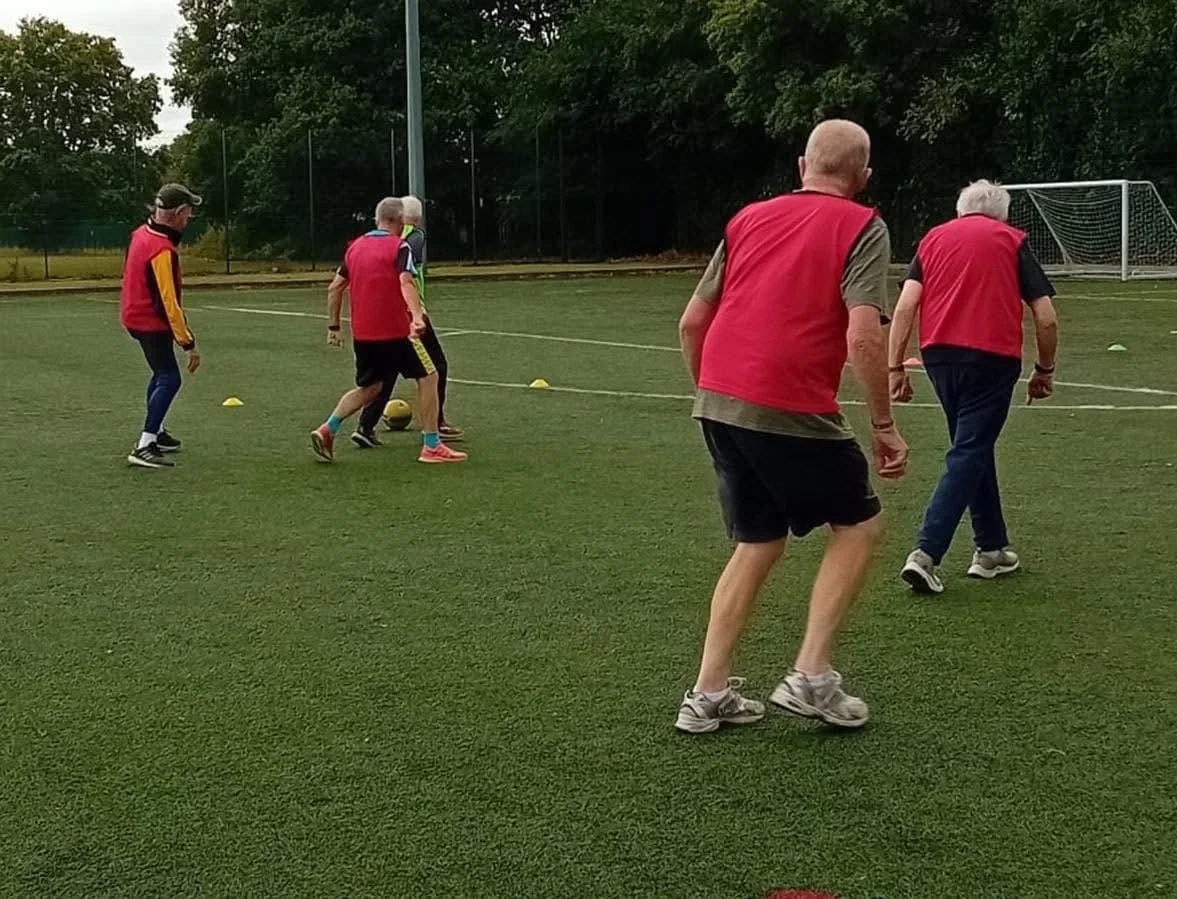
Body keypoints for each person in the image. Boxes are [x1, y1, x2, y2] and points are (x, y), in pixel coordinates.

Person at [674, 119, 909, 735]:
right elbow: (863, 332)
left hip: (719, 401)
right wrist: (883, 424)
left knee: (759, 541)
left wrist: (712, 389)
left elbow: (691, 324)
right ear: (863, 175)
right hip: (789, 405)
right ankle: (811, 675)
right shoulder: (863, 225)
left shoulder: (746, 219)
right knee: (859, 525)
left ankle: (707, 694)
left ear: (802, 163)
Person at [889, 179, 1059, 594]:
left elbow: (907, 304)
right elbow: (1046, 315)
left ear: (960, 209)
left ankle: (991, 548)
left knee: (972, 447)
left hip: (940, 357)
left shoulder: (932, 239)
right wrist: (1045, 369)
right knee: (969, 450)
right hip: (992, 359)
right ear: (1001, 214)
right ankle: (926, 553)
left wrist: (895, 366)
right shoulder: (1011, 240)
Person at [311, 197, 467, 465]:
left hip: (364, 335)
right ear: (398, 221)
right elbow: (406, 282)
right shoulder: (400, 246)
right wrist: (417, 316)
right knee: (429, 376)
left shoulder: (354, 248)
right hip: (397, 331)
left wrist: (334, 327)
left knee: (371, 388)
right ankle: (431, 445)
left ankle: (328, 428)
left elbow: (334, 288)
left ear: (377, 219)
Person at [354, 195, 463, 447]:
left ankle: (365, 425)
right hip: (409, 315)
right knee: (435, 367)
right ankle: (435, 427)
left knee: (388, 371)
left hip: (389, 313)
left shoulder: (376, 239)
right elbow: (405, 277)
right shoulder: (412, 238)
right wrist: (416, 313)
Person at [120, 183, 203, 469]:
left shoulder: (141, 234)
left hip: (134, 313)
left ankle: (158, 431)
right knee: (170, 377)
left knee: (160, 372)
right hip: (149, 320)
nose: (189, 218)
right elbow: (168, 301)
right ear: (178, 212)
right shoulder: (162, 249)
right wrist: (187, 342)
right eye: (188, 213)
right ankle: (144, 444)